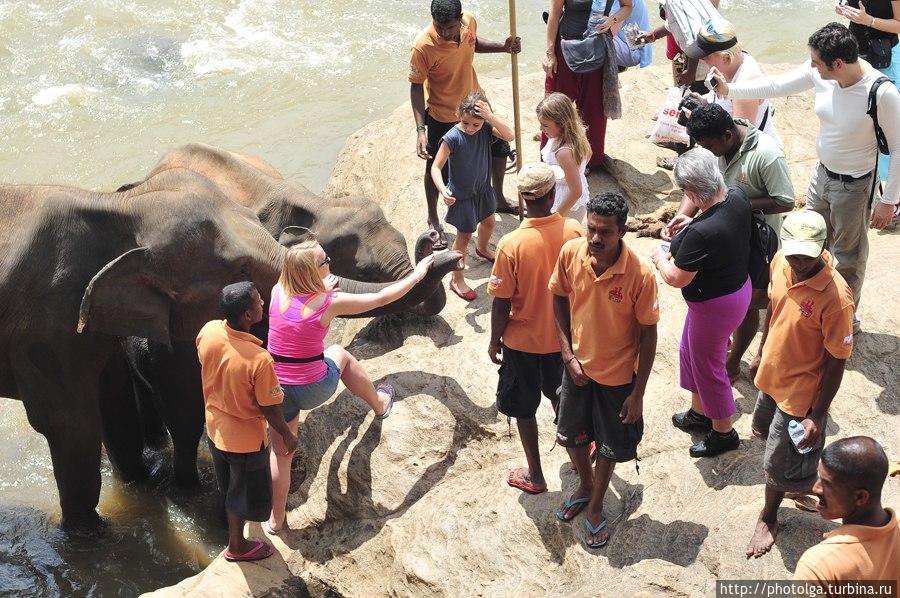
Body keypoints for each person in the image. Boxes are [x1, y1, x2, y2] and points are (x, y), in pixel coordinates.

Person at [709, 23, 900, 330]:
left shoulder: (882, 92)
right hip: (821, 176)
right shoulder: (821, 74)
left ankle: (845, 318)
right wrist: (731, 91)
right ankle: (812, 304)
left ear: (838, 64)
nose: (811, 67)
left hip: (855, 187)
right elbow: (776, 86)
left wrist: (889, 200)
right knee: (809, 241)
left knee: (849, 257)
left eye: (816, 62)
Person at [265, 238, 435, 533]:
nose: (330, 263)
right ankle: (379, 405)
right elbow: (382, 298)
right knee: (340, 355)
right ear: (310, 272)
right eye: (324, 261)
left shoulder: (277, 291)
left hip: (274, 390)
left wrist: (319, 286)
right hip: (312, 387)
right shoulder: (330, 303)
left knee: (280, 454)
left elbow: (299, 303)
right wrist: (418, 275)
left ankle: (276, 520)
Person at [550, 192, 659, 549]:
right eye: (591, 229)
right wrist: (567, 354)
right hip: (577, 369)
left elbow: (648, 334)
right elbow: (558, 297)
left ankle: (596, 506)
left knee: (611, 446)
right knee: (571, 434)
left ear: (623, 231)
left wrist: (638, 392)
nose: (595, 238)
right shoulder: (571, 253)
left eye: (605, 232)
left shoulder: (640, 275)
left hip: (617, 378)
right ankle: (584, 483)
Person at [746, 210, 855, 559]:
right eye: (793, 252)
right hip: (772, 374)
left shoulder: (837, 298)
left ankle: (769, 516)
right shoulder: (780, 261)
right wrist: (761, 351)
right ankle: (800, 480)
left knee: (778, 460)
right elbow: (775, 312)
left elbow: (838, 359)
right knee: (765, 433)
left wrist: (819, 414)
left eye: (806, 255)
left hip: (801, 392)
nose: (798, 261)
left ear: (824, 247)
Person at [669, 104, 795, 381]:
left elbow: (785, 201)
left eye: (710, 146)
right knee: (720, 296)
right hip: (717, 238)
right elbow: (698, 186)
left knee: (749, 304)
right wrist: (681, 217)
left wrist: (732, 206)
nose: (706, 151)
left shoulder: (767, 155)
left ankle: (735, 359)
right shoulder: (711, 147)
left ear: (727, 135)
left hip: (757, 244)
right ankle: (721, 343)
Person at [488, 163, 584, 495]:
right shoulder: (575, 231)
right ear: (552, 193)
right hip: (566, 342)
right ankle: (578, 456)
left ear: (524, 198)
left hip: (522, 344)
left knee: (524, 407)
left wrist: (493, 340)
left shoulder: (511, 244)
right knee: (565, 402)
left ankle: (536, 475)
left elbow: (501, 302)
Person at [651, 148, 750, 458]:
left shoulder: (700, 235)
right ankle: (699, 412)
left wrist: (659, 258)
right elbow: (712, 222)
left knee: (709, 367)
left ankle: (723, 431)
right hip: (732, 292)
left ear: (691, 191)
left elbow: (676, 277)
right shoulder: (736, 197)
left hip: (715, 305)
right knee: (689, 351)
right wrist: (690, 218)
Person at [196, 282, 298, 562]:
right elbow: (270, 408)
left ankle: (234, 536)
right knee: (241, 496)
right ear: (247, 316)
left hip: (215, 428)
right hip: (244, 441)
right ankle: (237, 547)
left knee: (228, 486)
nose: (263, 303)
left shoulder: (209, 331)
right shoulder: (259, 360)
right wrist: (288, 436)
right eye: (258, 301)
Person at [410, 0, 522, 251]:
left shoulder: (469, 21)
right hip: (443, 113)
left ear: (460, 19)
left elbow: (473, 42)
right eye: (440, 27)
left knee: (500, 147)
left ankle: (499, 197)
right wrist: (421, 129)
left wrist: (502, 47)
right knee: (436, 166)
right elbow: (416, 87)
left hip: (476, 102)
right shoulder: (422, 46)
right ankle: (433, 219)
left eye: (450, 27)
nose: (445, 33)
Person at [431, 91, 515, 301]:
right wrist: (443, 189)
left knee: (489, 222)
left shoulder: (486, 128)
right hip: (463, 197)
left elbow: (510, 135)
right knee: (464, 237)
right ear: (459, 115)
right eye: (466, 123)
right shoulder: (452, 137)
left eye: (475, 125)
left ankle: (483, 248)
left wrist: (490, 117)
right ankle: (456, 279)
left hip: (483, 190)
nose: (470, 128)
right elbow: (435, 167)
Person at [543, 0, 634, 172]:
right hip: (566, 47)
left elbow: (627, 7)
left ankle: (589, 159)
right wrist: (549, 53)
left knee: (594, 108)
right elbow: (554, 15)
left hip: (597, 46)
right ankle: (550, 157)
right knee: (556, 106)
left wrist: (612, 20)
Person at [795, 436, 899, 585]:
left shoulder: (817, 567)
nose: (815, 488)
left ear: (861, 497)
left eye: (827, 483)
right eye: (819, 477)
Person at [684, 18, 783, 146]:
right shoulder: (734, 61)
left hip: (752, 157)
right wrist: (704, 102)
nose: (702, 60)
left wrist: (699, 120)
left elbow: (739, 139)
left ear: (725, 57)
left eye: (706, 56)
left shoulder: (746, 84)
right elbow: (725, 104)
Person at [836, 0, 900, 193]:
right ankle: (874, 186)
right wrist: (842, 8)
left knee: (890, 127)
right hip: (855, 55)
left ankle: (893, 195)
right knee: (862, 123)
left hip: (886, 58)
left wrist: (868, 20)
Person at [536, 92, 593, 221]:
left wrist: (555, 218)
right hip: (566, 194)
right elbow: (589, 153)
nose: (541, 128)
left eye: (545, 125)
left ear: (561, 123)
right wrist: (577, 170)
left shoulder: (564, 153)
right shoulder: (577, 134)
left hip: (567, 204)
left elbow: (576, 191)